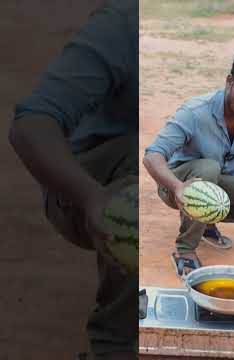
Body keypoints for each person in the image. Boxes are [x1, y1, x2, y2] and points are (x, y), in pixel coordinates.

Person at [9, 1, 138, 359]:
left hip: (162, 178)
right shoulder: (125, 22)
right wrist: (89, 196)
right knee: (139, 178)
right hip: (86, 189)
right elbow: (32, 123)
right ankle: (113, 343)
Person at [143, 48, 234, 274]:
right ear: (230, 81)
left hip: (215, 179)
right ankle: (185, 250)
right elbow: (152, 156)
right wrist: (178, 187)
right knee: (208, 167)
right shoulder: (194, 112)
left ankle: (204, 221)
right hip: (176, 184)